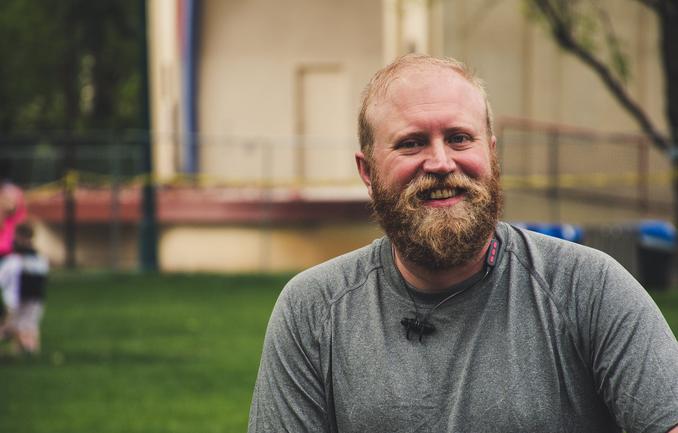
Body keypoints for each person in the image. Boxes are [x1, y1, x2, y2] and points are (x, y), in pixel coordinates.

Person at [248, 54, 678, 433]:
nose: (440, 162)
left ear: (491, 154)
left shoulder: (589, 289)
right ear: (367, 170)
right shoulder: (314, 312)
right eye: (411, 143)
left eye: (459, 138)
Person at [0, 221, 49, 355]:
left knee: (16, 328)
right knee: (27, 327)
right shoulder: (38, 259)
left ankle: (27, 350)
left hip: (20, 300)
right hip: (33, 300)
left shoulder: (16, 260)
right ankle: (25, 353)